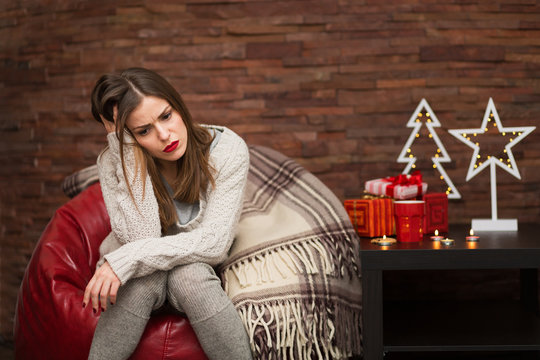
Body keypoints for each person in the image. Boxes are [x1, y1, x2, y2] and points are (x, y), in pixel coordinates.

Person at [82, 67, 253, 360]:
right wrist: (125, 151)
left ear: (178, 104)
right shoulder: (113, 161)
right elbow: (141, 237)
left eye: (166, 115)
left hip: (194, 267)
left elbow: (214, 243)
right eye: (143, 131)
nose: (164, 135)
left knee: (191, 275)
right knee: (140, 280)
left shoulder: (226, 150)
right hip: (141, 276)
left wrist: (127, 258)